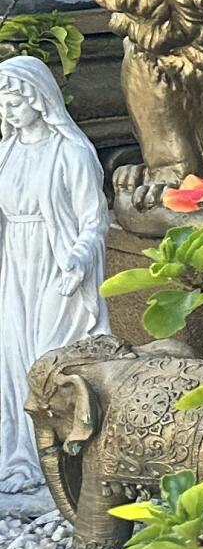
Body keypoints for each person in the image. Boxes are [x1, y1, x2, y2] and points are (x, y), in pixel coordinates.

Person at [0, 55, 110, 513]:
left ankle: (68, 463)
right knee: (13, 358)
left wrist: (79, 258)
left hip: (56, 265)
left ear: (38, 100)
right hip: (15, 265)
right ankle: (23, 459)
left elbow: (94, 219)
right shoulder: (7, 151)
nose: (6, 111)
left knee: (50, 363)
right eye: (1, 103)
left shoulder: (72, 152)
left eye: (12, 101)